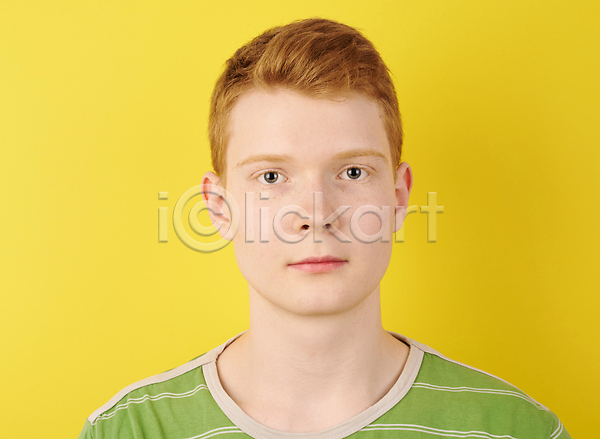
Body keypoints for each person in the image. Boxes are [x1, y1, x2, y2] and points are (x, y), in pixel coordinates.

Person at [78, 17, 570, 438]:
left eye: (352, 172)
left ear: (398, 197)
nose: (316, 213)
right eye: (271, 177)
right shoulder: (130, 429)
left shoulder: (515, 429)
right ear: (220, 207)